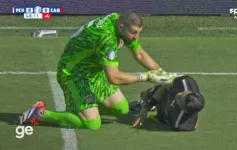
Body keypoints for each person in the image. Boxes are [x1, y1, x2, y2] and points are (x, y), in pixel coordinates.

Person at [18, 11, 173, 131]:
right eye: (134, 33)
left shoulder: (121, 21)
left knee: (122, 108)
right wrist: (145, 76)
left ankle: (86, 107)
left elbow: (139, 54)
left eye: (138, 33)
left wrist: (163, 74)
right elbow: (114, 78)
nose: (136, 37)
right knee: (92, 124)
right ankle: (39, 113)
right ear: (121, 27)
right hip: (74, 74)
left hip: (94, 71)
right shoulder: (106, 39)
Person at [130, 75, 205, 131]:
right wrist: (145, 108)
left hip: (167, 114)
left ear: (184, 110)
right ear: (189, 91)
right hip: (168, 94)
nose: (178, 95)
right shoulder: (184, 82)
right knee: (145, 94)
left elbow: (193, 125)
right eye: (182, 94)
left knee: (163, 118)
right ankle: (145, 103)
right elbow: (165, 86)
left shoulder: (180, 124)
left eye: (179, 99)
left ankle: (158, 108)